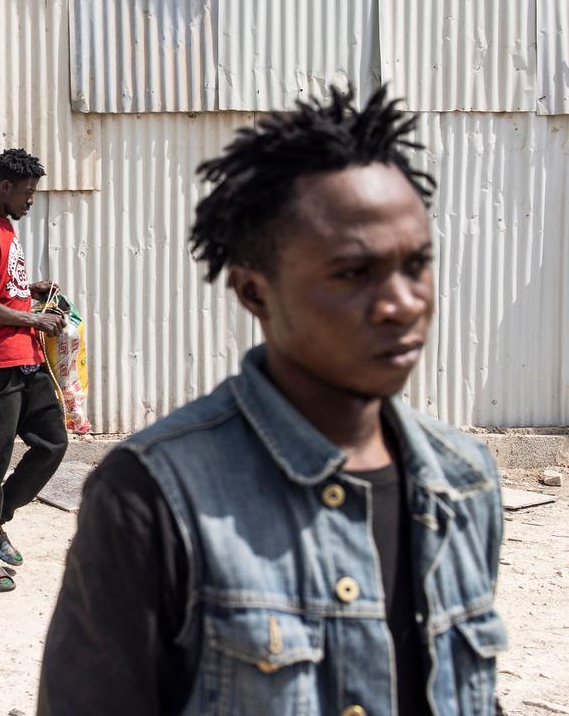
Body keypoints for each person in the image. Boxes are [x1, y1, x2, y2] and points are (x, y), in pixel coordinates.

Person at [39, 86, 507, 715]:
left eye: (415, 264)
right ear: (254, 292)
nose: (403, 302)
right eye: (352, 272)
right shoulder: (153, 498)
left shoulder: (465, 483)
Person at [0, 148, 68, 592]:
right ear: (5, 187)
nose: (31, 201)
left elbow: (4, 289)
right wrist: (35, 318)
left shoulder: (5, 228)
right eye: (27, 192)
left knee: (53, 443)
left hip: (27, 358)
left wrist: (31, 290)